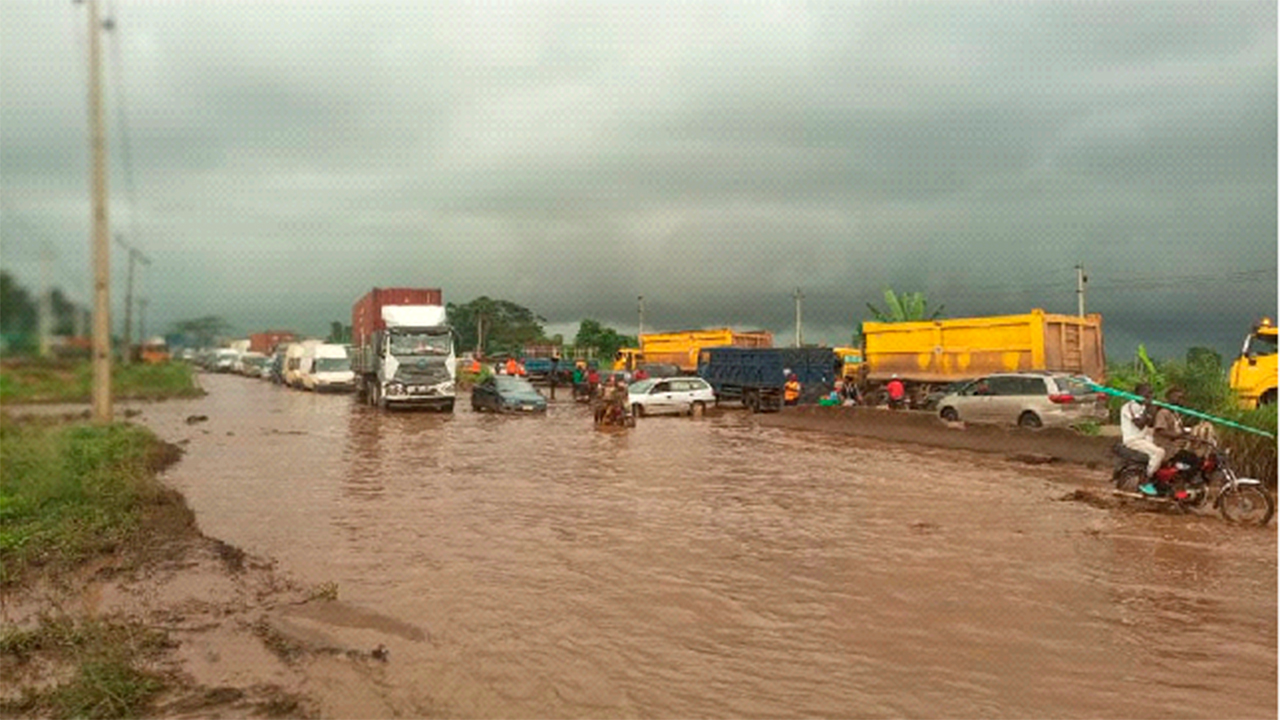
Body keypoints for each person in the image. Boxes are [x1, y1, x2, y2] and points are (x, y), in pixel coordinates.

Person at [1120, 382, 1164, 495]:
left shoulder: (1145, 406)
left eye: (1151, 393)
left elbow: (1150, 424)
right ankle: (1146, 481)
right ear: (1138, 393)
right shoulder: (1129, 407)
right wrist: (1148, 409)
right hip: (1133, 440)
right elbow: (1139, 424)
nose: (1150, 395)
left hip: (1145, 440)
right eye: (1147, 393)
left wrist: (1154, 410)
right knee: (1159, 453)